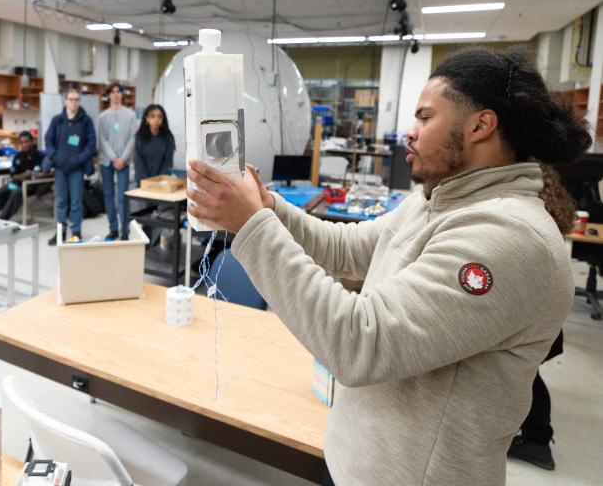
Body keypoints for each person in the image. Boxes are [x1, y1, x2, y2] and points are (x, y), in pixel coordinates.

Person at [185, 46, 589, 486]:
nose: (409, 133)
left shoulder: (510, 238)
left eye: (425, 117)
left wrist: (252, 225)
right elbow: (346, 248)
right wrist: (268, 208)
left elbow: (360, 343)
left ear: (480, 125)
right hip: (356, 462)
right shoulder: (437, 199)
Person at [506, 164, 572, 471]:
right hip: (543, 309)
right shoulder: (550, 210)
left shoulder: (529, 218)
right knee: (528, 374)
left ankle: (538, 441)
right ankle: (536, 436)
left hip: (535, 309)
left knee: (528, 375)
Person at [44, 87, 96, 245]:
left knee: (76, 202)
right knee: (61, 202)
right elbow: (48, 139)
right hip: (60, 168)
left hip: (76, 169)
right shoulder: (57, 120)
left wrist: (80, 159)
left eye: (76, 99)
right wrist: (54, 156)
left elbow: (91, 143)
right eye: (71, 99)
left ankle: (76, 233)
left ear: (79, 102)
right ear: (65, 101)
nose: (73, 102)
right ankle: (60, 233)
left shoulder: (86, 121)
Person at [97, 84, 137, 240]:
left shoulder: (131, 115)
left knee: (122, 196)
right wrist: (114, 158)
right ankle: (113, 228)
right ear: (109, 95)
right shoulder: (102, 117)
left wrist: (123, 158)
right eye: (112, 92)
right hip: (107, 161)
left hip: (124, 161)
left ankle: (124, 230)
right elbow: (102, 139)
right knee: (108, 195)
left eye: (118, 92)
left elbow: (132, 138)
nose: (115, 95)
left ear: (122, 95)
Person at [0, 131, 44, 221]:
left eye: (27, 142)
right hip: (15, 184)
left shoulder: (40, 156)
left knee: (16, 193)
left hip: (30, 186)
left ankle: (2, 220)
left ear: (32, 141)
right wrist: (23, 175)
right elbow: (13, 176)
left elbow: (47, 173)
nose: (25, 145)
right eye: (22, 143)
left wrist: (37, 175)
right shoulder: (18, 156)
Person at [134, 104, 175, 183]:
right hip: (143, 183)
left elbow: (168, 164)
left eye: (159, 117)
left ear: (163, 120)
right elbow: (139, 163)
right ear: (147, 119)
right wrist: (145, 182)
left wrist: (160, 181)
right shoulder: (139, 138)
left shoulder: (168, 139)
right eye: (153, 116)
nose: (156, 119)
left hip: (161, 183)